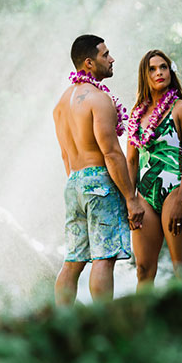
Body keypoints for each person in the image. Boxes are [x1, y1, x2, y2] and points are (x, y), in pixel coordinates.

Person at [53, 34, 144, 305]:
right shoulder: (99, 99)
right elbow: (111, 153)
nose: (112, 59)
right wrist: (130, 198)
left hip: (74, 183)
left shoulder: (60, 104)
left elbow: (65, 155)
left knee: (73, 261)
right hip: (100, 183)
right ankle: (103, 321)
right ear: (89, 63)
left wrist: (80, 186)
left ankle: (63, 321)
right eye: (105, 55)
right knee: (104, 257)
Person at [127, 49, 182, 288]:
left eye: (163, 67)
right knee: (143, 270)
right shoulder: (136, 115)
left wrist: (181, 200)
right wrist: (131, 200)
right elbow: (131, 161)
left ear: (170, 71)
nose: (159, 72)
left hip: (175, 191)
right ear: (144, 76)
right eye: (152, 69)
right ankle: (141, 313)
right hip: (144, 196)